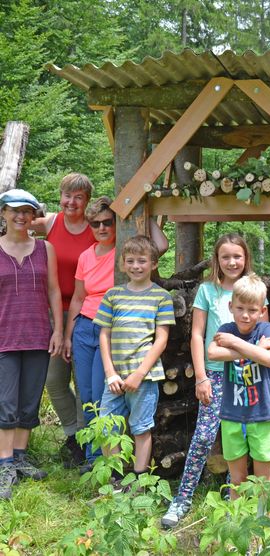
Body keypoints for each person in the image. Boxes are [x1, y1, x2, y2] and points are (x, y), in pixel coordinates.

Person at [63, 196, 168, 471]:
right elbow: (77, 296)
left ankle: (109, 461)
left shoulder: (124, 249)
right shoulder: (86, 256)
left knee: (103, 392)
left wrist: (149, 206)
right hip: (88, 324)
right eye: (95, 223)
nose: (101, 228)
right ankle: (94, 458)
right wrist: (67, 335)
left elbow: (160, 246)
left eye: (108, 222)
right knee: (87, 393)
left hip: (118, 330)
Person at [161, 233, 255, 528]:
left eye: (237, 256)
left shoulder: (251, 288)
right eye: (225, 256)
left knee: (239, 438)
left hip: (245, 374)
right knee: (203, 436)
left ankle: (233, 499)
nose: (232, 262)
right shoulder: (207, 291)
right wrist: (201, 377)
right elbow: (198, 334)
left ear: (245, 258)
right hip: (214, 373)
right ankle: (183, 498)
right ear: (217, 259)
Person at [94, 235, 175, 477]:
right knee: (107, 427)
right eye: (130, 261)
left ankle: (139, 481)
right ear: (122, 264)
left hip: (144, 377)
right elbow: (104, 335)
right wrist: (110, 373)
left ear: (153, 264)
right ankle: (116, 479)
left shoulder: (161, 297)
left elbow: (161, 339)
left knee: (141, 428)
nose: (136, 266)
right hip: (115, 377)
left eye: (142, 261)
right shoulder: (112, 296)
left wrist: (139, 374)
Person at [0, 189, 63, 499]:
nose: (21, 216)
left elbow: (53, 291)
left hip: (38, 334)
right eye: (14, 210)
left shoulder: (44, 248)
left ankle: (20, 458)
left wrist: (58, 330)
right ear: (3, 214)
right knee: (5, 403)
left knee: (29, 400)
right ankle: (5, 464)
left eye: (27, 211)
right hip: (4, 337)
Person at [32, 173, 95, 467]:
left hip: (87, 314)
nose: (72, 202)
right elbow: (16, 223)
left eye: (78, 197)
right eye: (67, 195)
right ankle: (73, 435)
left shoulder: (96, 228)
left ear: (87, 201)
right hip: (53, 312)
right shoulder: (50, 223)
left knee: (84, 384)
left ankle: (86, 443)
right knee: (54, 379)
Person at [207, 273, 270, 497]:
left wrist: (235, 343)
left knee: (262, 480)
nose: (246, 315)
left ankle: (261, 523)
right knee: (237, 479)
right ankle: (238, 524)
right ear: (231, 306)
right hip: (232, 415)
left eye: (252, 310)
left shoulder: (265, 330)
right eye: (240, 308)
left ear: (262, 311)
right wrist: (254, 350)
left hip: (261, 414)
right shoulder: (226, 328)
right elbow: (211, 353)